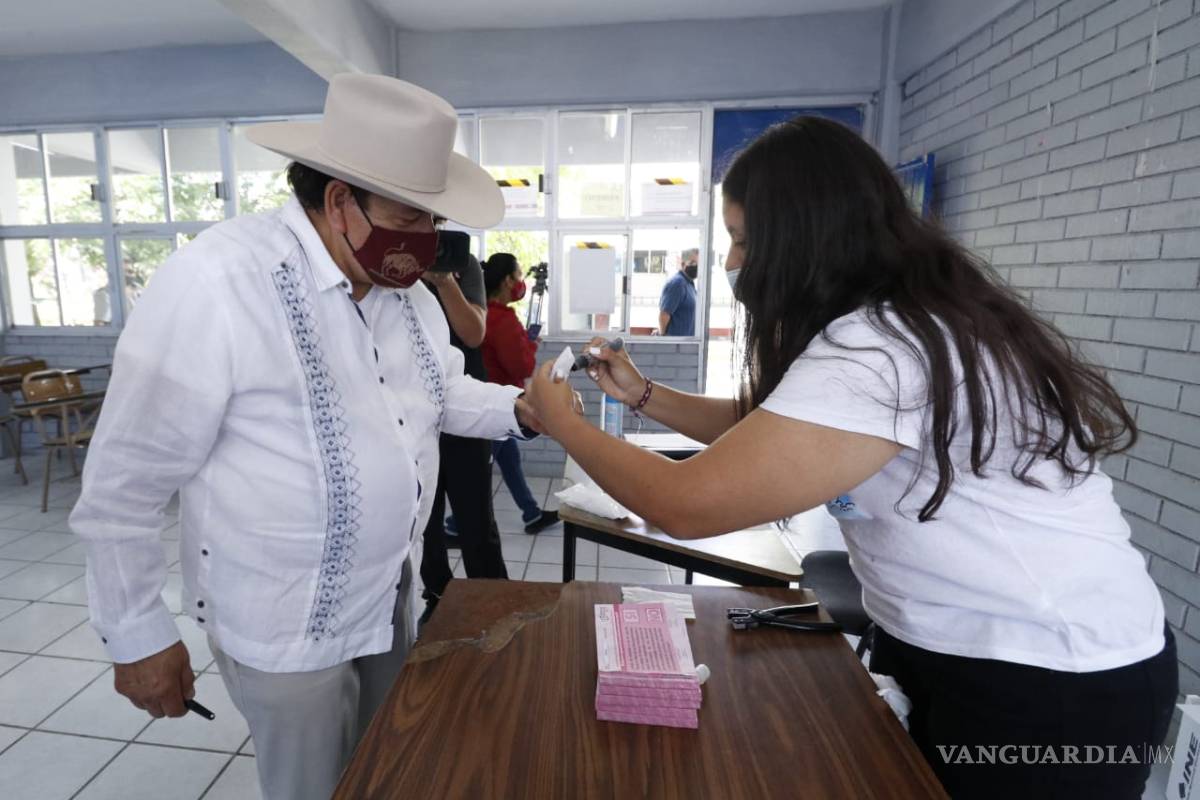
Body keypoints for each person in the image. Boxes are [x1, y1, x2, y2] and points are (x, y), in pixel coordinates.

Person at [524, 116, 1175, 799]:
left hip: (1050, 679)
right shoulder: (910, 319)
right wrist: (646, 395)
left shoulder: (879, 349)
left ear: (805, 238)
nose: (733, 264)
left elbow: (685, 506)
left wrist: (564, 422)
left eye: (744, 240)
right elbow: (773, 430)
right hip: (990, 652)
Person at [69, 75, 542, 800]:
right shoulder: (219, 283)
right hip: (285, 618)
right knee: (312, 787)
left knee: (382, 770)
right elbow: (123, 486)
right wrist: (136, 635)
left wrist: (526, 408)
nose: (426, 242)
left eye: (432, 220)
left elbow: (442, 393)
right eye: (410, 216)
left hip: (389, 596)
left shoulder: (405, 298)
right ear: (339, 200)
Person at [419, 250, 511, 619]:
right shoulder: (395, 264)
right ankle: (437, 597)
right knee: (425, 519)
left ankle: (494, 601)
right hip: (415, 409)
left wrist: (443, 282)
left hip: (467, 403)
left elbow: (473, 334)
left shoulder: (463, 264)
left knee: (475, 516)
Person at [478, 253, 560, 534]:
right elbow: (521, 364)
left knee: (509, 459)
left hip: (490, 400)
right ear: (506, 281)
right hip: (502, 405)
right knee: (480, 470)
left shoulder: (479, 312)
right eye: (518, 276)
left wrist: (523, 340)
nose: (521, 283)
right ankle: (455, 525)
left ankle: (531, 513)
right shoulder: (503, 320)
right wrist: (531, 344)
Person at [656, 247, 698, 336]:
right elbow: (664, 314)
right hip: (676, 346)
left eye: (699, 264)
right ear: (683, 264)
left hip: (688, 344)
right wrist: (663, 336)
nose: (696, 267)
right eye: (693, 263)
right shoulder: (677, 284)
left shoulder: (689, 284)